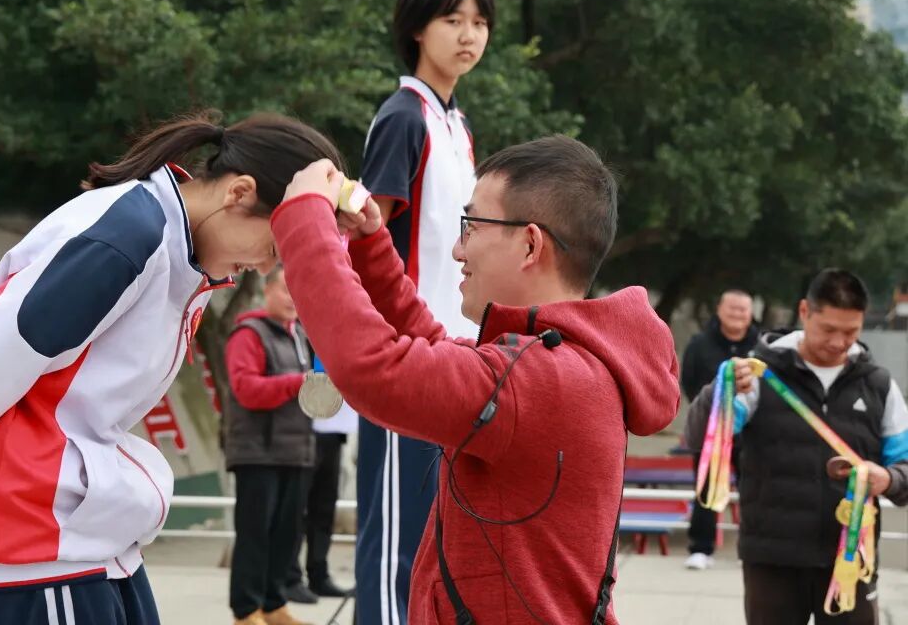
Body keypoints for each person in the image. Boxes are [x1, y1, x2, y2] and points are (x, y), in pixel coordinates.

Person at [0, 114, 343, 625]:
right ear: (239, 194)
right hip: (34, 530)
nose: (269, 267)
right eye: (274, 246)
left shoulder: (179, 252)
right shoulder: (127, 239)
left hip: (79, 527)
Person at [272, 136, 680, 624]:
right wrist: (368, 248)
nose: (457, 248)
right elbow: (436, 350)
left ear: (530, 243)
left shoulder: (541, 378)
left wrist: (304, 221)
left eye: (472, 225)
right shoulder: (561, 365)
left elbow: (373, 369)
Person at [356, 0, 493, 625]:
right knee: (395, 538)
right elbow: (364, 235)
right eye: (452, 19)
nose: (468, 35)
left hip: (458, 355)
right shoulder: (403, 119)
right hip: (402, 355)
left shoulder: (458, 127)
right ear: (415, 28)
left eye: (479, 23)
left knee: (441, 533)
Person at [686, 269, 908, 625]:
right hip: (772, 559)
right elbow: (700, 439)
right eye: (829, 330)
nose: (839, 342)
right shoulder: (758, 376)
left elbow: (905, 469)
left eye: (851, 332)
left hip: (851, 560)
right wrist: (720, 392)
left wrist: (889, 478)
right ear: (805, 312)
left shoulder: (879, 386)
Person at [224, 265, 316, 625]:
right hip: (257, 453)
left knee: (287, 536)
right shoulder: (249, 334)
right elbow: (246, 390)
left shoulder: (300, 336)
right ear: (267, 291)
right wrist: (298, 383)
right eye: (286, 290)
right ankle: (246, 611)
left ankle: (274, 604)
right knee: (255, 534)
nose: (293, 298)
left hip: (296, 450)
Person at [680, 289, 759, 570]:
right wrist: (710, 415)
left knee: (757, 491)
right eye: (732, 308)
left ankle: (753, 547)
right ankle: (701, 548)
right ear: (719, 309)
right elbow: (688, 380)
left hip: (752, 435)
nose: (737, 314)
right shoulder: (700, 344)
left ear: (750, 314)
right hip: (712, 431)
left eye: (743, 310)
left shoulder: (762, 345)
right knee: (706, 489)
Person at [286, 400, 357, 601]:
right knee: (297, 510)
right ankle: (290, 577)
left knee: (324, 509)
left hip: (333, 432)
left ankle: (319, 575)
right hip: (303, 431)